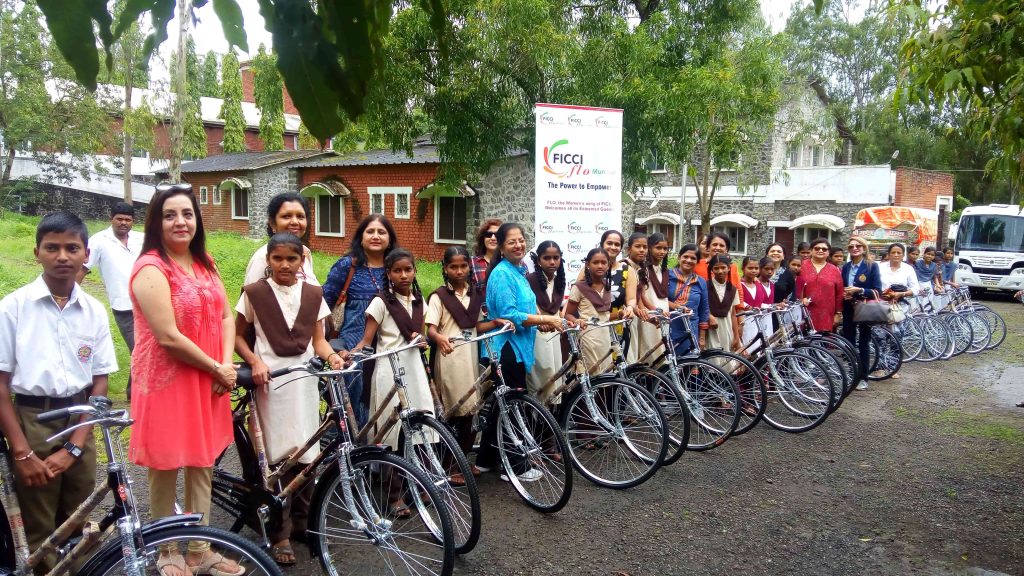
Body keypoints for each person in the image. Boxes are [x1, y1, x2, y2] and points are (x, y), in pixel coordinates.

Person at [128, 184, 243, 576]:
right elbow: (167, 337)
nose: (181, 221)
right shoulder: (150, 267)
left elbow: (227, 317)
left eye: (188, 213)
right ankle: (166, 551)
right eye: (170, 214)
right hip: (166, 379)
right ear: (156, 222)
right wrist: (217, 367)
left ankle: (199, 549)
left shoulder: (204, 261)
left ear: (197, 219)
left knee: (202, 461)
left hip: (209, 376)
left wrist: (225, 366)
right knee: (164, 465)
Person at [0, 212, 117, 574]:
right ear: (37, 252)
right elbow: (1, 384)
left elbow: (99, 381)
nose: (62, 256)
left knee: (80, 520)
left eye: (72, 248)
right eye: (52, 248)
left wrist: (75, 447)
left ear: (86, 254)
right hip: (33, 421)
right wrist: (22, 454)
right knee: (39, 524)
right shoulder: (13, 308)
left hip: (80, 418)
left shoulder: (94, 311)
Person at [233, 233, 341, 565]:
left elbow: (319, 341)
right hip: (271, 384)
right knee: (277, 456)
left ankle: (302, 522)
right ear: (268, 260)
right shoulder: (254, 294)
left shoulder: (313, 294)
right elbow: (237, 336)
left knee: (308, 449)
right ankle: (279, 532)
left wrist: (333, 357)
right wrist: (254, 362)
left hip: (304, 381)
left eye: (291, 259)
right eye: (277, 258)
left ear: (302, 261)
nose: (284, 265)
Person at [475, 223, 564, 482]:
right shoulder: (502, 273)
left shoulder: (520, 269)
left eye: (522, 240)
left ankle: (484, 461)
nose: (519, 245)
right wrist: (544, 318)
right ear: (501, 247)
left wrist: (543, 323)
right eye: (512, 241)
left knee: (501, 404)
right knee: (513, 405)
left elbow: (525, 308)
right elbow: (508, 315)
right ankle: (514, 465)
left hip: (518, 345)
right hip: (505, 348)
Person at [353, 249, 435, 517]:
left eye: (408, 269)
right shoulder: (380, 302)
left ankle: (421, 485)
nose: (403, 275)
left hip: (414, 369)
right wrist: (351, 354)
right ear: (388, 273)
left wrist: (423, 339)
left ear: (414, 271)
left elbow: (417, 333)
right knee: (391, 433)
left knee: (422, 427)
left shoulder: (418, 300)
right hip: (389, 371)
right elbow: (367, 340)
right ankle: (394, 494)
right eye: (397, 270)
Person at [322, 214, 398, 426]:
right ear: (361, 237)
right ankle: (354, 454)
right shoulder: (347, 265)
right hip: (354, 347)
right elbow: (323, 303)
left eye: (381, 232)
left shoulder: (397, 266)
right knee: (355, 406)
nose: (376, 236)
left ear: (390, 239)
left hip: (389, 345)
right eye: (370, 231)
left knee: (387, 399)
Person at [426, 246, 485, 472]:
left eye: (463, 266)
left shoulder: (474, 294)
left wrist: (499, 323)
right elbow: (430, 329)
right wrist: (439, 337)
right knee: (452, 409)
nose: (459, 271)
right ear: (445, 268)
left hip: (470, 357)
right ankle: (449, 465)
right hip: (449, 357)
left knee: (471, 408)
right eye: (453, 267)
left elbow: (477, 326)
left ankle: (462, 460)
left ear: (469, 267)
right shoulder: (439, 296)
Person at [77, 202, 143, 399]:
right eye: (119, 219)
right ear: (111, 219)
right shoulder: (98, 241)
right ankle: (137, 394)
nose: (123, 223)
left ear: (133, 221)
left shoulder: (142, 239)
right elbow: (82, 269)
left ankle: (136, 392)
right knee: (139, 349)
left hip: (148, 305)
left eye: (127, 220)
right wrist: (70, 297)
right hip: (123, 307)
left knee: (147, 348)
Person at [243, 193, 319, 285]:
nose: (295, 222)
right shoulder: (262, 258)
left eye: (300, 216)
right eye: (286, 216)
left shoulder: (305, 252)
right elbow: (251, 296)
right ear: (272, 223)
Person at [526, 241, 566, 403]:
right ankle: (537, 414)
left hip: (555, 333)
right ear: (538, 261)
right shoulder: (529, 280)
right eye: (547, 258)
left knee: (556, 373)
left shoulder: (559, 280)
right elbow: (529, 308)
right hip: (536, 334)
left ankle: (553, 414)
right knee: (541, 374)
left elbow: (557, 309)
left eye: (556, 258)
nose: (552, 262)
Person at [841, 236, 881, 391]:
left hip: (865, 307)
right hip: (849, 308)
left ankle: (863, 377)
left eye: (858, 246)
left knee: (864, 343)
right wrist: (847, 294)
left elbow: (877, 291)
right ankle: (852, 374)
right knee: (849, 342)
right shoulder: (846, 267)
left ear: (864, 248)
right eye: (851, 246)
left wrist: (860, 290)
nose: (854, 248)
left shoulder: (872, 266)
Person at [565, 248, 614, 376]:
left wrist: (621, 314)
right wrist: (576, 321)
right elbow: (567, 314)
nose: (600, 266)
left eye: (604, 262)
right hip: (588, 337)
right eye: (595, 262)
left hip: (605, 336)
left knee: (607, 375)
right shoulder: (579, 287)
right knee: (591, 375)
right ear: (587, 264)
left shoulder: (607, 286)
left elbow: (604, 316)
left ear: (609, 265)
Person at [878, 243, 920, 380]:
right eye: (893, 252)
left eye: (899, 253)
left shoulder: (908, 269)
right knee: (880, 337)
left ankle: (892, 367)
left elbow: (915, 289)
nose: (896, 255)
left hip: (900, 308)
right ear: (889, 254)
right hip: (881, 306)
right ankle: (879, 367)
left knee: (896, 337)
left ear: (903, 255)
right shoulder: (879, 267)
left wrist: (900, 294)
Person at [668, 244, 709, 354]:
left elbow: (704, 310)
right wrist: (675, 306)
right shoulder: (667, 276)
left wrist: (701, 337)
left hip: (691, 330)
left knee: (689, 365)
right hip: (669, 327)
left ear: (697, 261)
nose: (688, 260)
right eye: (685, 257)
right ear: (679, 257)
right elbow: (659, 300)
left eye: (693, 258)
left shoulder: (701, 282)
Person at [796, 238, 844, 332]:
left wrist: (838, 313)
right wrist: (799, 300)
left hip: (827, 314)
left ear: (828, 252)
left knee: (824, 343)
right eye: (817, 248)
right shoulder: (801, 266)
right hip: (803, 312)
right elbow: (793, 287)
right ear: (811, 251)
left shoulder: (834, 270)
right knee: (804, 342)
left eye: (824, 249)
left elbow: (839, 293)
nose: (820, 250)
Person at [638, 233, 671, 365]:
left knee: (662, 348)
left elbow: (663, 297)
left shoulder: (664, 270)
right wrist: (655, 310)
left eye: (665, 248)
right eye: (658, 248)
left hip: (663, 313)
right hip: (649, 314)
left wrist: (678, 307)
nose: (662, 251)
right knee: (649, 348)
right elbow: (642, 294)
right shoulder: (643, 269)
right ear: (649, 248)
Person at [706, 254, 741, 352]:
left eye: (723, 267)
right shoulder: (705, 286)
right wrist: (709, 316)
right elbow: (701, 308)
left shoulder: (733, 289)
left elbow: (733, 314)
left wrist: (736, 336)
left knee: (727, 360)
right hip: (711, 330)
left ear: (729, 268)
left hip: (727, 328)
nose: (720, 271)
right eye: (716, 268)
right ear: (711, 270)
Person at [738, 256, 763, 349]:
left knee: (757, 346)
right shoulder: (739, 284)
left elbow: (760, 302)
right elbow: (737, 300)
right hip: (744, 320)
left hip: (757, 321)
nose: (753, 271)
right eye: (750, 268)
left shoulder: (758, 284)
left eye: (756, 268)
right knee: (746, 346)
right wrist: (746, 306)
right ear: (743, 269)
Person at [471, 218, 503, 288]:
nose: (493, 238)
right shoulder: (471, 263)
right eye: (489, 234)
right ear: (483, 238)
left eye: (497, 235)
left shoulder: (511, 263)